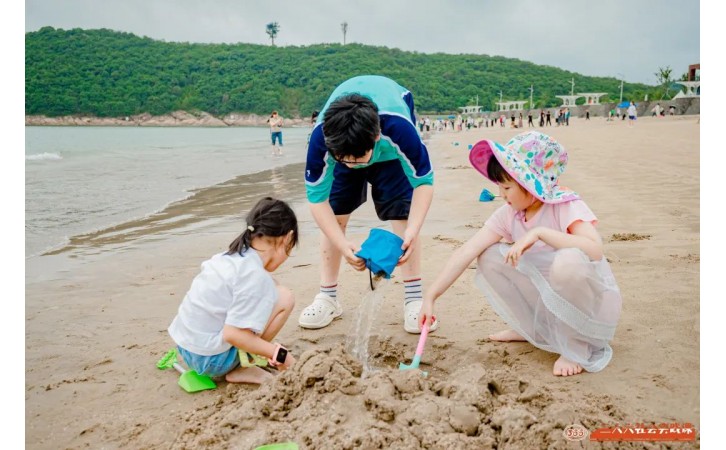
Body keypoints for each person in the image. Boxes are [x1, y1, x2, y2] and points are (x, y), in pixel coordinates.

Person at [418, 131, 622, 376]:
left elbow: (594, 249)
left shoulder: (564, 205)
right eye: (499, 187)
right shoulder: (509, 213)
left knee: (568, 261)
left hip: (585, 304)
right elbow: (468, 250)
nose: (502, 195)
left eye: (507, 186)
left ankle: (576, 343)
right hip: (548, 300)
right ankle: (532, 328)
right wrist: (430, 296)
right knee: (489, 255)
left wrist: (540, 234)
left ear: (529, 184)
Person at [299, 75, 436, 334]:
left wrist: (413, 231)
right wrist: (343, 245)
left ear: (375, 138)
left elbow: (423, 182)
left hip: (388, 152)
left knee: (402, 215)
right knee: (336, 214)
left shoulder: (399, 129)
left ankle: (414, 299)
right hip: (348, 140)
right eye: (345, 160)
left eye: (358, 159)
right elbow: (317, 201)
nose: (353, 165)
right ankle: (327, 297)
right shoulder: (323, 139)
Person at [167, 197, 299, 384]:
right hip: (212, 361)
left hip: (186, 348)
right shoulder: (254, 276)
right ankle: (241, 367)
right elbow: (233, 334)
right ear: (288, 238)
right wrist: (282, 356)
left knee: (273, 288)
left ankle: (239, 359)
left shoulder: (229, 257)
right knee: (285, 298)